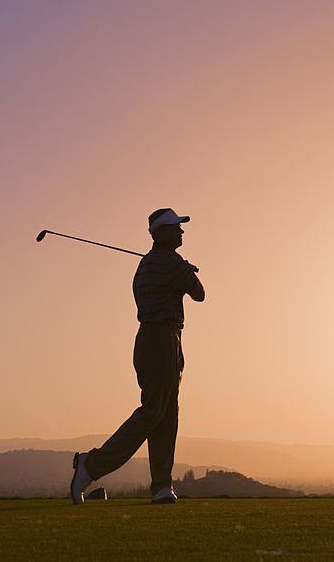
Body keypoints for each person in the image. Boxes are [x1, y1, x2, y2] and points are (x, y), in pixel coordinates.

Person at [70, 208, 205, 504]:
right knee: (154, 411)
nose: (182, 232)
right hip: (161, 339)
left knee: (166, 412)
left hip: (156, 338)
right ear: (162, 233)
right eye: (176, 228)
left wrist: (181, 272)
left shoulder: (152, 264)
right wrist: (187, 273)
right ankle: (91, 465)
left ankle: (161, 486)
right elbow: (200, 293)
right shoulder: (170, 262)